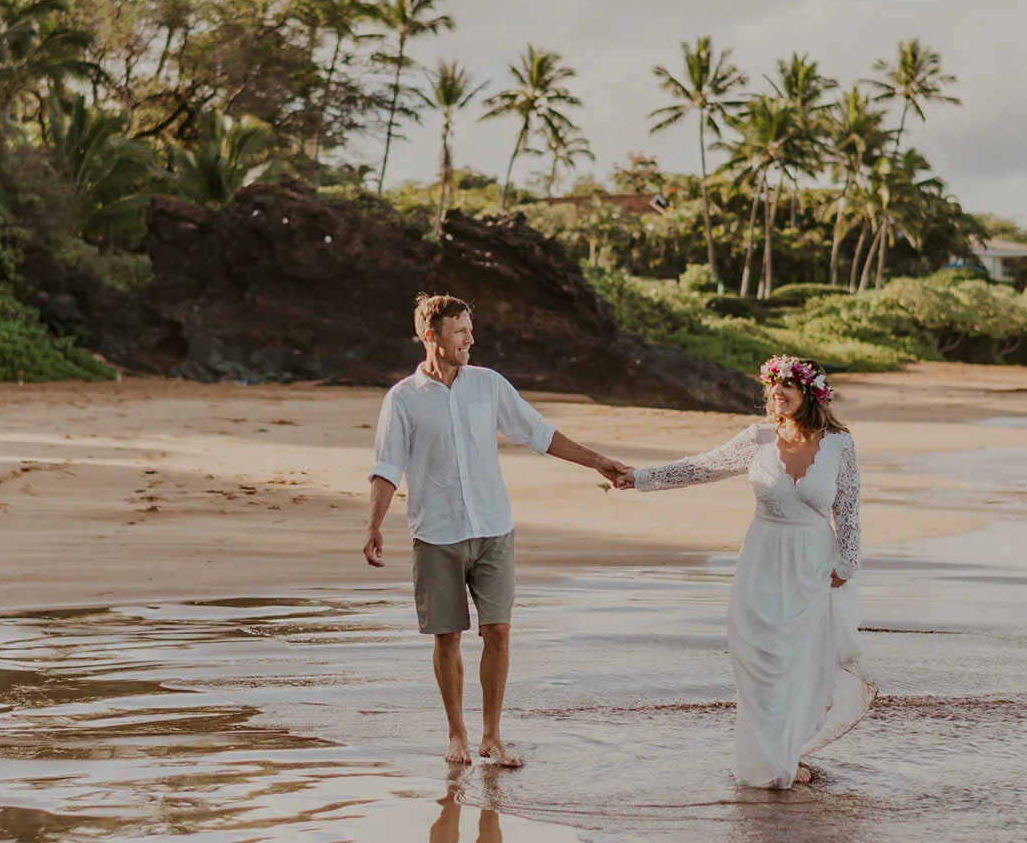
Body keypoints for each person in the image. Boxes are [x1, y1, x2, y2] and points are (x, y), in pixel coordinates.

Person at [364, 293, 631, 767]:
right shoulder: (402, 399)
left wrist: (598, 461)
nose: (471, 339)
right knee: (446, 637)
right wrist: (375, 526)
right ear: (432, 336)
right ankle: (457, 735)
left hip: (493, 527)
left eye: (470, 329)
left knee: (499, 631)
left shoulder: (488, 385)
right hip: (437, 533)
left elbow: (539, 432)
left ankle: (491, 736)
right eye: (460, 331)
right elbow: (387, 466)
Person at [615, 355, 873, 788]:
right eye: (773, 386)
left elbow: (848, 512)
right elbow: (702, 466)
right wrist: (638, 477)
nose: (777, 394)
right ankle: (768, 761)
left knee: (800, 666)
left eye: (787, 386)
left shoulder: (839, 445)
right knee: (762, 664)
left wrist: (846, 566)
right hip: (763, 564)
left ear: (811, 393)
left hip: (813, 568)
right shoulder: (757, 439)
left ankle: (785, 755)